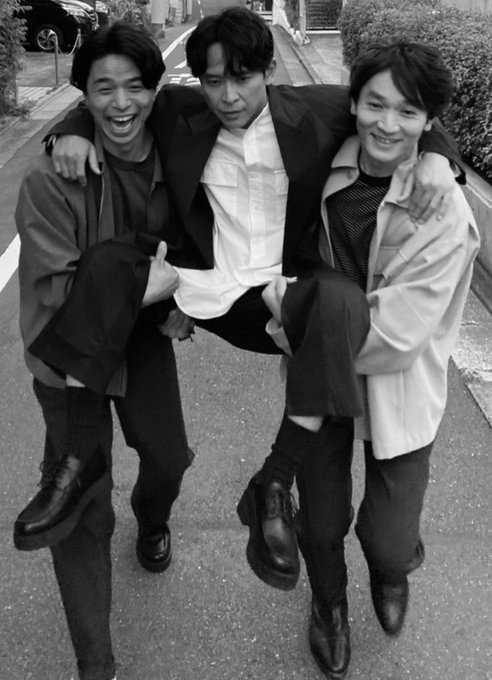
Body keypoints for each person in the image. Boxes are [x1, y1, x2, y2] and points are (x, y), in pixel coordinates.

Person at [29, 0, 461, 651]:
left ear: (269, 71)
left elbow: (402, 112)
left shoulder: (319, 109)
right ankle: (74, 464)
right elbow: (115, 101)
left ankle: (275, 483)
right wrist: (69, 128)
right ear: (197, 81)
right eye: (213, 80)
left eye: (243, 77)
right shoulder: (181, 110)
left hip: (285, 298)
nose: (229, 96)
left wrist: (437, 155)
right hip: (218, 292)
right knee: (112, 263)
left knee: (339, 299)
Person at [256, 39, 480, 678]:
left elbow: (401, 333)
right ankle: (328, 604)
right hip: (320, 380)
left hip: (398, 381)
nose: (387, 124)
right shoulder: (318, 156)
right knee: (321, 520)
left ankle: (391, 566)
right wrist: (74, 122)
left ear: (430, 122)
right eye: (374, 104)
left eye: (408, 112)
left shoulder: (444, 206)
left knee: (388, 536)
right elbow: (216, 105)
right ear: (351, 102)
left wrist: (294, 318)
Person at [14, 22, 193, 680]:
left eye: (135, 87)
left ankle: (151, 517)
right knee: (82, 504)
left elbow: (299, 110)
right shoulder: (49, 177)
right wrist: (153, 288)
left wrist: (431, 142)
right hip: (68, 355)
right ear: (82, 93)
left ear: (157, 88)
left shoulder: (181, 142)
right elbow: (58, 294)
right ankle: (96, 663)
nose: (121, 104)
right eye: (103, 89)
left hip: (140, 338)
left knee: (169, 457)